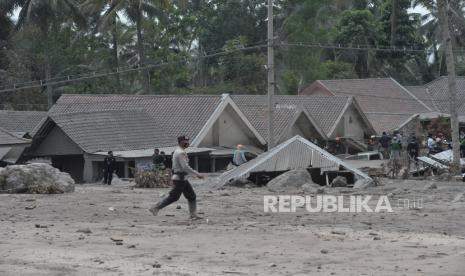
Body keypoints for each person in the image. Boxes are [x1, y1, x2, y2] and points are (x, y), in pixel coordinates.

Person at [149, 136, 204, 219]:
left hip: (182, 178)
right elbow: (185, 167)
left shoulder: (178, 151)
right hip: (180, 179)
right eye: (185, 141)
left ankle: (193, 215)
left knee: (191, 196)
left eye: (187, 141)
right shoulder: (180, 153)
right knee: (174, 197)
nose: (187, 142)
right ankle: (155, 208)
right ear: (180, 142)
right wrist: (197, 174)